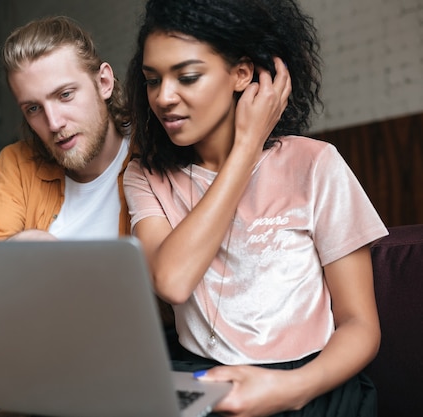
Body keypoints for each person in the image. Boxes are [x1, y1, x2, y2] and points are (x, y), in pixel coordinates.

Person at [0, 15, 287, 417]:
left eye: (65, 94)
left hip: (92, 367)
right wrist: (22, 250)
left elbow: (178, 296)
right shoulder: (17, 163)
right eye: (34, 108)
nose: (54, 121)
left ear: (104, 83)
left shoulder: (157, 162)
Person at [122, 0, 388, 416]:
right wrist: (244, 150)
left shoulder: (315, 163)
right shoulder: (145, 175)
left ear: (241, 74)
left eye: (187, 76)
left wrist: (293, 389)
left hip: (312, 383)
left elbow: (361, 325)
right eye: (152, 80)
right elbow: (173, 281)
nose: (164, 97)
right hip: (204, 377)